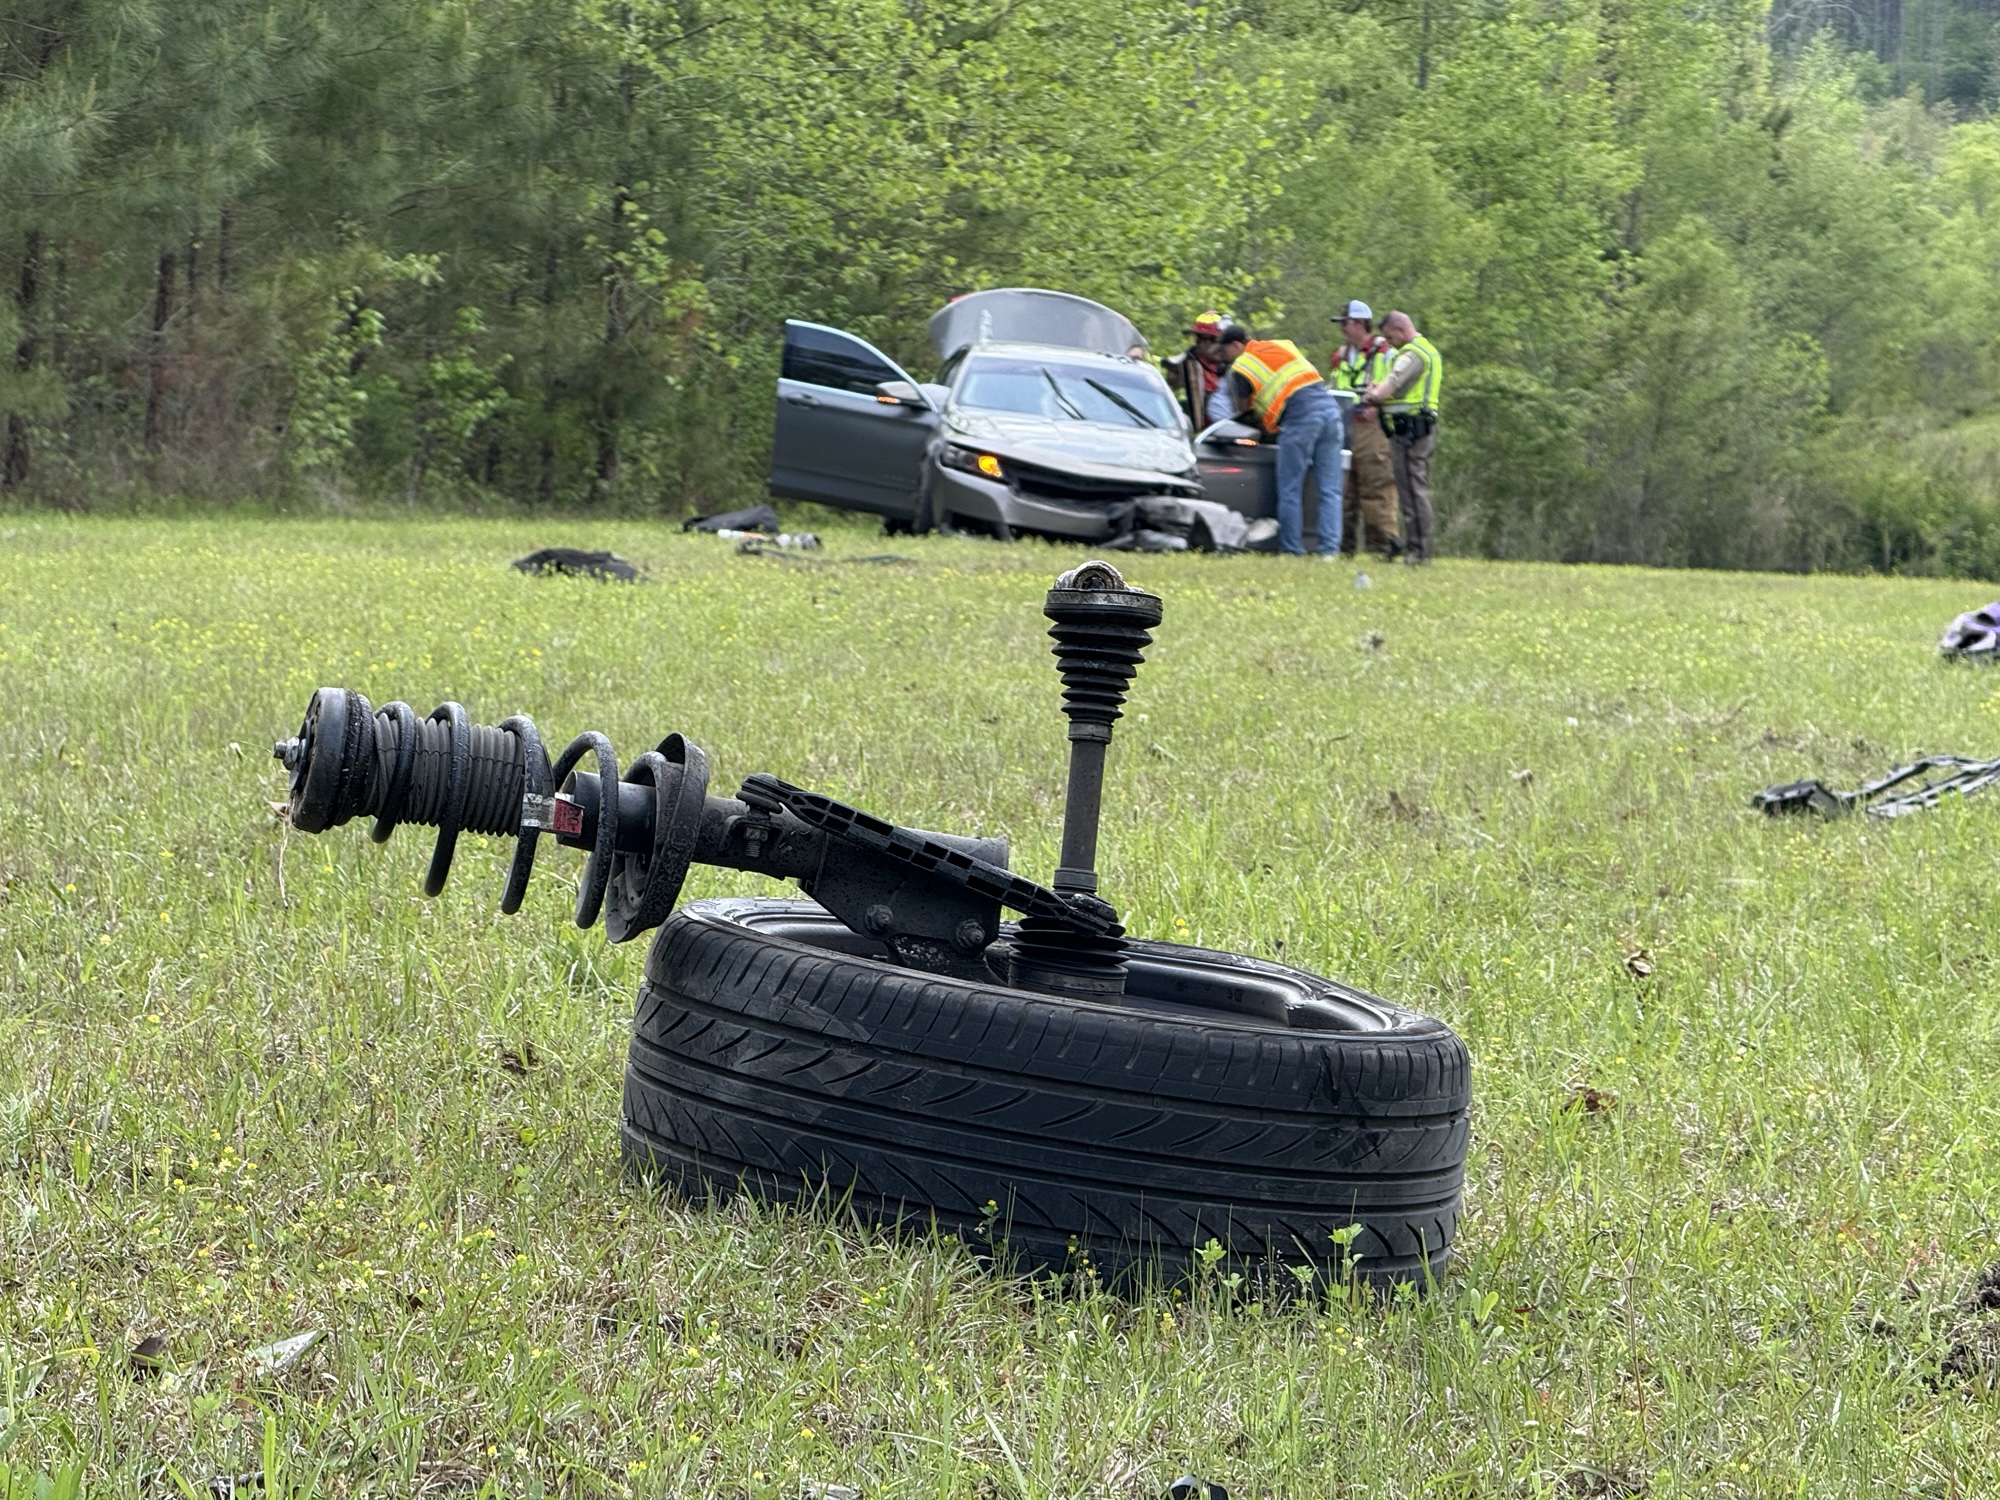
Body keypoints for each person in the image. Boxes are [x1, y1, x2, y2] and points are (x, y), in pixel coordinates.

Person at [1216, 325, 1345, 557]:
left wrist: (1260, 423)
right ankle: (1329, 552)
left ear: (1236, 345)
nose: (1224, 359)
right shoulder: (1281, 345)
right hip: (1330, 413)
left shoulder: (1242, 367)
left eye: (1224, 352)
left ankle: (1291, 550)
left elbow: (1243, 411)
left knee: (1289, 490)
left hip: (1299, 419)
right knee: (1330, 490)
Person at [1365, 311, 1443, 564]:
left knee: (1412, 490)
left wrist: (1373, 395)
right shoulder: (1427, 350)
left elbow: (1389, 387)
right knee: (1413, 488)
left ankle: (1419, 552)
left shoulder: (1412, 354)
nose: (1390, 343)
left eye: (1390, 337)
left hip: (1411, 431)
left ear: (1400, 329)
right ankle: (1417, 548)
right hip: (1415, 428)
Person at [1329, 300, 1400, 558]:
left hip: (1373, 427)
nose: (1342, 329)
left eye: (1345, 324)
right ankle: (1343, 546)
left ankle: (1382, 547)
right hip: (1344, 425)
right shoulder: (1340, 356)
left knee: (1377, 487)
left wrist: (1380, 406)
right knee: (1345, 490)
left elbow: (1399, 386)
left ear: (1359, 324)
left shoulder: (1386, 353)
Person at [1161, 311, 1228, 431]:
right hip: (1192, 433)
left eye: (1225, 342)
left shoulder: (1230, 367)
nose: (1222, 347)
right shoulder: (1182, 367)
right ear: (1200, 340)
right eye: (1217, 341)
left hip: (1226, 431)